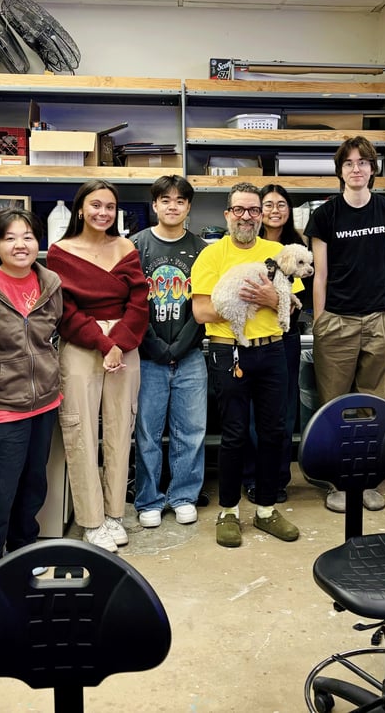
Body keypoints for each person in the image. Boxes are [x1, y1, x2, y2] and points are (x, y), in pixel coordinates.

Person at [191, 183, 303, 548]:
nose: (246, 217)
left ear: (262, 215)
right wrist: (243, 299)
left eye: (253, 210)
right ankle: (229, 511)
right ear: (227, 215)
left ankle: (267, 509)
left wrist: (271, 298)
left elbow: (295, 304)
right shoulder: (211, 255)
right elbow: (201, 310)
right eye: (239, 210)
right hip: (229, 352)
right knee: (235, 434)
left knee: (273, 432)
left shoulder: (279, 251)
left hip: (272, 351)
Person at [304, 136, 385, 513]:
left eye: (363, 162)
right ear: (340, 171)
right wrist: (322, 321)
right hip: (337, 323)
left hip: (380, 320)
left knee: (373, 406)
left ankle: (366, 481)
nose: (357, 168)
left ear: (373, 169)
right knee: (334, 406)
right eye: (349, 163)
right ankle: (339, 482)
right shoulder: (325, 215)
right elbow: (320, 276)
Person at [46, 180, 148, 553]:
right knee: (81, 430)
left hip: (126, 343)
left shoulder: (126, 247)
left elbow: (139, 300)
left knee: (122, 428)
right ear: (79, 209)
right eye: (95, 205)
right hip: (81, 345)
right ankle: (91, 520)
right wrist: (104, 343)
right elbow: (65, 309)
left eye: (109, 206)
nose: (103, 213)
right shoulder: (60, 251)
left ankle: (115, 513)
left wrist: (120, 341)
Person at [0, 208, 62, 581]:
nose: (20, 245)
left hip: (45, 401)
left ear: (39, 242)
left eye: (28, 237)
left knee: (33, 483)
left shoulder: (51, 283)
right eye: (10, 238)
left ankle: (23, 550)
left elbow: (54, 335)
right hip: (1, 403)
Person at [131, 175, 208, 529]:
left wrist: (182, 344)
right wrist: (155, 345)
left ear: (188, 207)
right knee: (147, 431)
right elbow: (130, 304)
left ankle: (183, 495)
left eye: (180, 200)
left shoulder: (202, 250)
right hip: (147, 356)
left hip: (191, 354)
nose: (172, 206)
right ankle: (148, 498)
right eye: (165, 199)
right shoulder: (136, 246)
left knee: (190, 429)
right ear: (155, 205)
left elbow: (205, 303)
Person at [242, 183, 309, 504]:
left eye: (281, 204)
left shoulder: (299, 248)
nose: (274, 210)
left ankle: (278, 478)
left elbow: (297, 297)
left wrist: (276, 298)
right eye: (267, 204)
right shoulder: (248, 247)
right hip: (251, 337)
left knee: (281, 413)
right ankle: (253, 477)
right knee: (252, 413)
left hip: (286, 339)